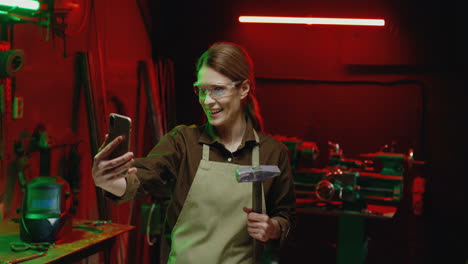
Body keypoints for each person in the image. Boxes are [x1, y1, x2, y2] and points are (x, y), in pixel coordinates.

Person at [92, 42, 296, 264]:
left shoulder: (272, 154)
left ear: (244, 89)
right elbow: (140, 179)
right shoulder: (183, 143)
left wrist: (273, 228)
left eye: (218, 89)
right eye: (201, 90)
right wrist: (107, 179)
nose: (207, 101)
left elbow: (285, 216)